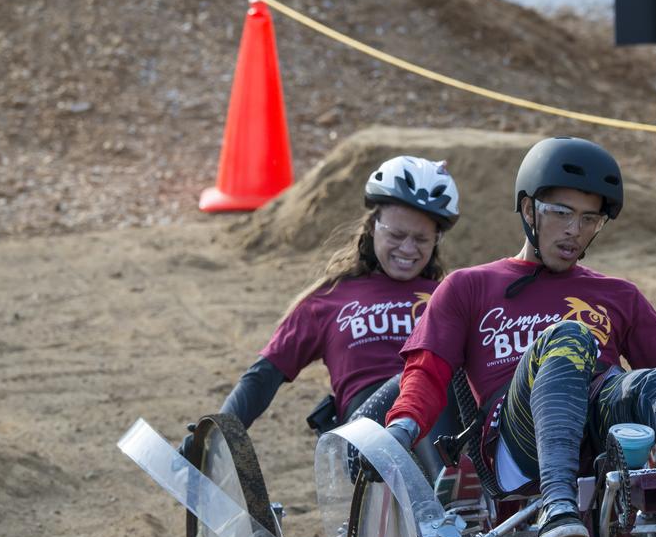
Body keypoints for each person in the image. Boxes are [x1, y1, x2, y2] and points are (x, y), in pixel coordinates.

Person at [377, 137, 656, 537]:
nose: (573, 231)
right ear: (529, 210)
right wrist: (401, 428)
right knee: (571, 338)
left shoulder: (618, 294)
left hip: (600, 438)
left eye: (589, 219)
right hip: (516, 440)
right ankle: (557, 504)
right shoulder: (469, 286)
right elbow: (427, 370)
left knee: (650, 381)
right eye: (561, 213)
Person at [183, 155, 461, 473]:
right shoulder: (329, 299)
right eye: (397, 236)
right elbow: (263, 377)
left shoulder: (450, 295)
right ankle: (448, 491)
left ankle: (466, 495)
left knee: (443, 381)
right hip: (364, 434)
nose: (408, 249)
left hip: (440, 421)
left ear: (436, 240)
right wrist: (217, 437)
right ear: (373, 226)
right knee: (413, 379)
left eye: (421, 239)